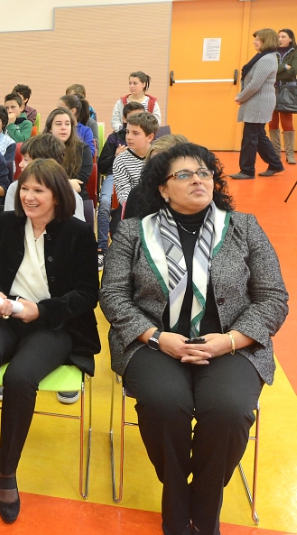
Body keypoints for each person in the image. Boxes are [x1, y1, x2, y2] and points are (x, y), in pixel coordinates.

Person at [100, 143, 288, 535]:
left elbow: (273, 298)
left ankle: (203, 506)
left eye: (204, 173)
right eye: (184, 175)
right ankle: (177, 498)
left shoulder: (244, 227)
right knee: (165, 404)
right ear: (163, 188)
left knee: (229, 409)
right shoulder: (134, 232)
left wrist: (230, 340)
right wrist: (156, 337)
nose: (198, 180)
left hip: (231, 346)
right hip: (155, 344)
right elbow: (113, 295)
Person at [0, 159, 99, 524]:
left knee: (21, 377)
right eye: (25, 189)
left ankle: (7, 471)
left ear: (57, 196)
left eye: (39, 190)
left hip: (54, 325)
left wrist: (43, 311)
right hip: (5, 313)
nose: (29, 197)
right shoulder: (7, 224)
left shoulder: (79, 233)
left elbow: (87, 294)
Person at [96, 102, 145, 269]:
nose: (137, 120)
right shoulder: (115, 138)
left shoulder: (153, 147)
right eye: (133, 117)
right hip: (113, 175)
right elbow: (102, 167)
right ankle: (102, 248)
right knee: (104, 203)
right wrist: (115, 157)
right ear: (124, 119)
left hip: (138, 185)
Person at [232, 29, 287, 179]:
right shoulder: (264, 57)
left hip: (259, 103)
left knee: (250, 138)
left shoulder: (266, 59)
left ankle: (247, 171)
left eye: (257, 39)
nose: (254, 42)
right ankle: (275, 164)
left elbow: (255, 84)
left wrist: (241, 97)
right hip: (258, 101)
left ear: (265, 41)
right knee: (259, 135)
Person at [5, 134, 85, 224]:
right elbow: (10, 224)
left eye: (26, 160)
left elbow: (77, 229)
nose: (20, 164)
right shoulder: (14, 188)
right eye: (25, 189)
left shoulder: (69, 193)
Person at [43, 108, 92, 201]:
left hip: (75, 196)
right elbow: (40, 178)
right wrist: (68, 183)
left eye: (67, 124)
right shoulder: (40, 148)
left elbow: (80, 183)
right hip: (46, 196)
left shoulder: (83, 149)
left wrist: (54, 183)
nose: (63, 127)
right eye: (58, 124)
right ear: (50, 128)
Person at [112, 112, 158, 205]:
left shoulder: (160, 157)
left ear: (149, 137)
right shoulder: (121, 160)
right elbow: (123, 195)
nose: (129, 137)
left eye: (135, 133)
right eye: (127, 132)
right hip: (133, 206)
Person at [270, 29, 297, 164]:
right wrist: (285, 67)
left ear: (290, 39)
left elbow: (293, 71)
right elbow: (270, 70)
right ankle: (276, 154)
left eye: (283, 36)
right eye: (278, 36)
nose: (280, 39)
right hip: (271, 89)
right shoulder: (271, 52)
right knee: (272, 122)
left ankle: (289, 154)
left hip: (287, 90)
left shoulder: (295, 53)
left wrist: (277, 72)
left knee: (287, 122)